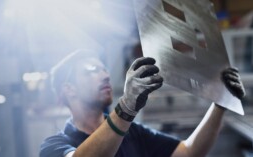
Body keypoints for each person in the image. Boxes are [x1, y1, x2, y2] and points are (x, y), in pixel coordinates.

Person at [39, 49, 246, 157]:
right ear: (69, 89)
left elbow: (188, 152)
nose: (105, 76)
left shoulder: (134, 134)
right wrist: (127, 106)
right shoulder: (54, 147)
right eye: (92, 71)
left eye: (104, 69)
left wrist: (220, 104)